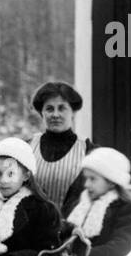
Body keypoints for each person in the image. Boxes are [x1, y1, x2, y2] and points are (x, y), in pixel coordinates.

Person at [63, 147, 131, 256]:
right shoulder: (79, 203)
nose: (86, 184)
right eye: (86, 178)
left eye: (93, 179)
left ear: (111, 181)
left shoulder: (126, 210)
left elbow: (120, 245)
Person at [28, 81, 96, 214]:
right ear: (42, 113)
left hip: (74, 230)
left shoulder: (89, 151)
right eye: (49, 109)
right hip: (33, 231)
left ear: (73, 112)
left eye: (62, 108)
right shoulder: (27, 148)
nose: (55, 114)